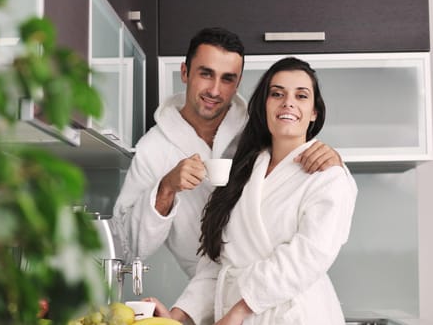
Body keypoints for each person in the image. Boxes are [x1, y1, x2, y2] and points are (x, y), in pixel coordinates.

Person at [111, 27, 348, 281]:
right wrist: (166, 188)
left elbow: (302, 164)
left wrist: (331, 158)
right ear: (184, 72)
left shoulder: (257, 128)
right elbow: (127, 248)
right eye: (206, 74)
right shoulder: (154, 148)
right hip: (202, 288)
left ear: (238, 82)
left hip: (268, 280)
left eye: (227, 79)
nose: (215, 90)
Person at [153, 57, 357, 325]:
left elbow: (309, 256)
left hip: (295, 316)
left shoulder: (327, 174)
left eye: (301, 95)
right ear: (264, 104)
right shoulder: (242, 172)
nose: (288, 102)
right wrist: (177, 318)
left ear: (314, 112)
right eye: (277, 94)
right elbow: (220, 265)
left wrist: (239, 311)